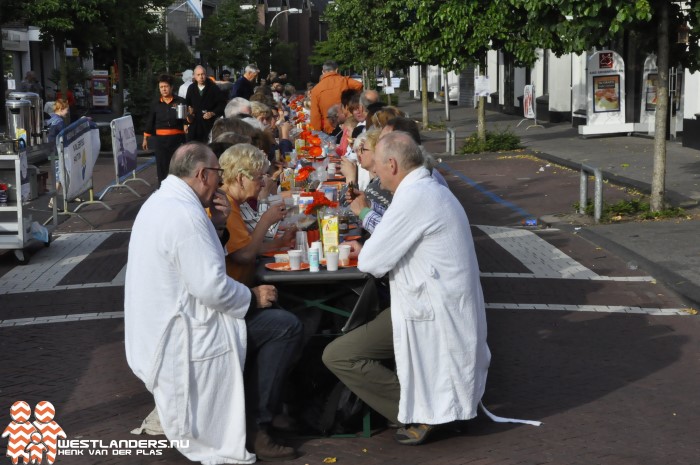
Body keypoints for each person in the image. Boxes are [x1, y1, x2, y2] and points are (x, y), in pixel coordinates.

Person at [322, 131, 490, 446]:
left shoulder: (414, 197)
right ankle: (436, 408)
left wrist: (371, 245)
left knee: (339, 354)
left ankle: (427, 412)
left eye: (379, 168)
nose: (376, 175)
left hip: (431, 310)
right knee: (347, 347)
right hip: (434, 303)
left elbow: (372, 260)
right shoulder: (427, 189)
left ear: (393, 164)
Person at [125, 142, 277, 464]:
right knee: (285, 326)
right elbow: (211, 287)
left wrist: (218, 225)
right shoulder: (185, 215)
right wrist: (251, 297)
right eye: (218, 176)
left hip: (158, 324)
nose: (220, 183)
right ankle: (259, 423)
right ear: (202, 174)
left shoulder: (163, 203)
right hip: (183, 333)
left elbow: (199, 264)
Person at [217, 144, 302, 460]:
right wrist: (267, 221)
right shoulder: (227, 206)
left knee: (291, 317)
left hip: (237, 298)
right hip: (229, 308)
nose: (264, 182)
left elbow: (246, 249)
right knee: (286, 326)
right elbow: (243, 253)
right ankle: (259, 424)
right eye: (258, 176)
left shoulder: (231, 204)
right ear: (240, 178)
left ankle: (278, 406)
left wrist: (278, 242)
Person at [142, 74, 187, 186]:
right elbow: (150, 121)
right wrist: (145, 138)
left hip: (177, 140)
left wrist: (188, 122)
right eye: (161, 87)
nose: (164, 89)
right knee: (162, 167)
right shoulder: (156, 104)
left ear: (171, 87)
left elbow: (185, 121)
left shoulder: (180, 101)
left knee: (177, 166)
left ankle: (178, 188)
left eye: (166, 86)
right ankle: (162, 188)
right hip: (161, 141)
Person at [310, 60, 363, 134]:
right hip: (347, 124)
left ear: (323, 72)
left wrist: (316, 133)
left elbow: (315, 116)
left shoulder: (316, 89)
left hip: (329, 127)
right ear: (337, 70)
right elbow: (359, 85)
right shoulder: (344, 81)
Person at [185, 65, 226, 143]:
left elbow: (222, 104)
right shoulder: (191, 88)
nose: (201, 77)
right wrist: (187, 119)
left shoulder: (213, 88)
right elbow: (187, 104)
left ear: (206, 75)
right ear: (194, 76)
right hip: (195, 126)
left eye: (202, 74)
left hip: (210, 125)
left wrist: (213, 113)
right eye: (198, 75)